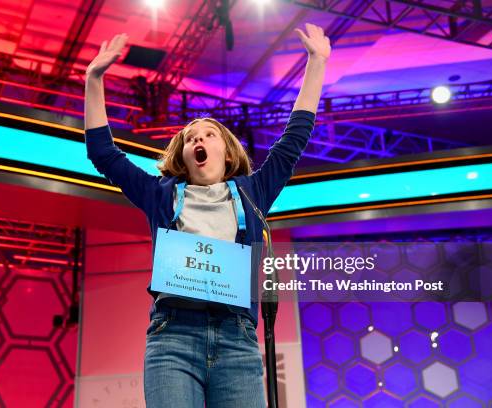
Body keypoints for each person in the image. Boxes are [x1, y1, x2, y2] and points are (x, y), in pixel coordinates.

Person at [84, 23, 330, 408]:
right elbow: (104, 154)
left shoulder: (253, 193)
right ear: (182, 155)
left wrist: (317, 62)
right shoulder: (161, 196)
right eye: (190, 137)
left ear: (228, 152)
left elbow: (292, 142)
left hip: (237, 342)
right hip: (173, 341)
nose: (198, 139)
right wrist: (93, 78)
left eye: (209, 134)